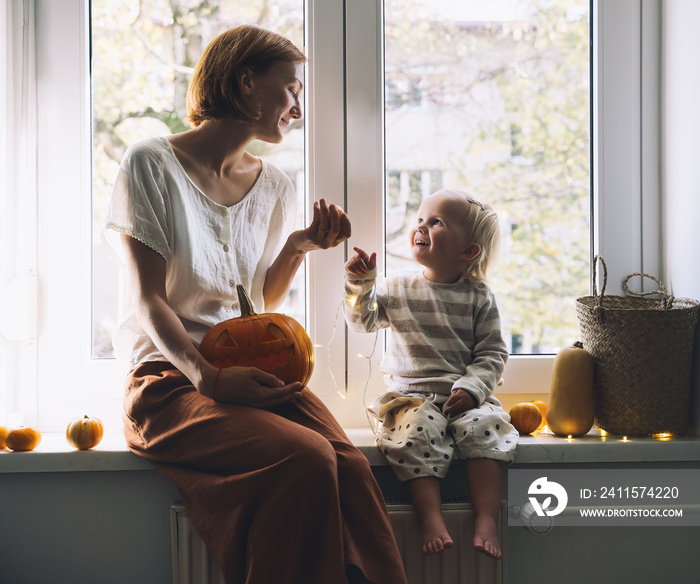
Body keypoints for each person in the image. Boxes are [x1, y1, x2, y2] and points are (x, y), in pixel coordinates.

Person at [104, 24, 407, 584]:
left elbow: (258, 303)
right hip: (171, 381)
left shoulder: (275, 186)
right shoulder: (150, 164)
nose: (296, 106)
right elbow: (148, 299)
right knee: (307, 459)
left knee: (350, 467)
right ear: (247, 83)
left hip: (249, 372)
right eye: (290, 89)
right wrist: (209, 379)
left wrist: (299, 247)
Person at [343, 188, 518, 560]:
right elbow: (363, 321)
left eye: (435, 222)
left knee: (488, 428)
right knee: (415, 433)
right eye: (420, 219)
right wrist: (361, 283)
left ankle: (486, 516)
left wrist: (472, 390)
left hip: (464, 398)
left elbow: (492, 352)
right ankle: (430, 516)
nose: (421, 226)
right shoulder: (397, 289)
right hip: (411, 398)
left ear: (468, 251)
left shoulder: (480, 297)